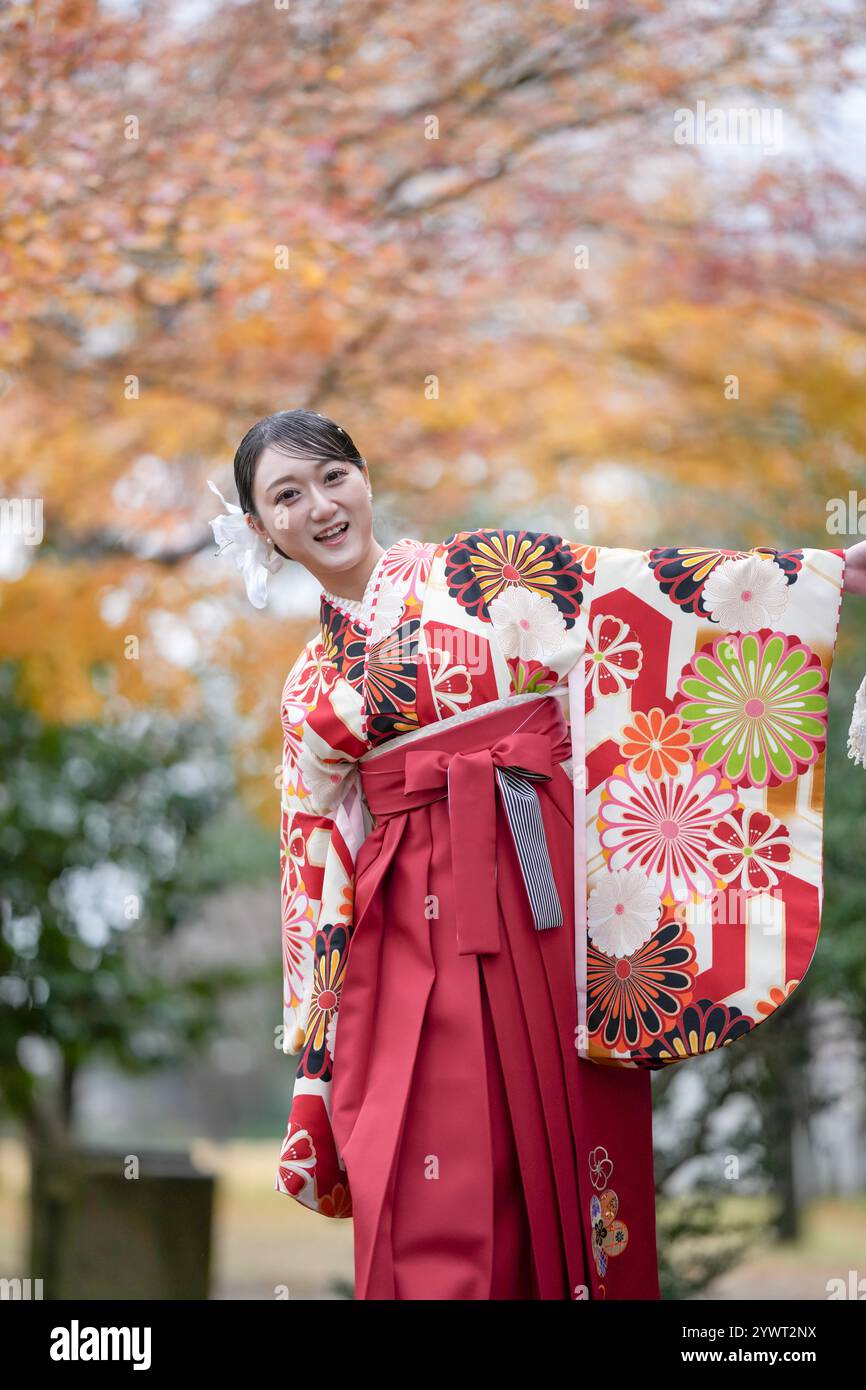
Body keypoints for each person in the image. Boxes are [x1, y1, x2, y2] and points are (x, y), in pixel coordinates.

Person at [208, 408, 866, 1301]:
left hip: (539, 881)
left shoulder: (485, 574)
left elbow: (641, 590)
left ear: (364, 481)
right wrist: (320, 1035)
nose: (320, 506)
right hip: (402, 922)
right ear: (261, 528)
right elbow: (316, 855)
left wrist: (812, 574)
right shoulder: (309, 686)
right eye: (287, 495)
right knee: (415, 1149)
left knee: (553, 1129)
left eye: (334, 477)